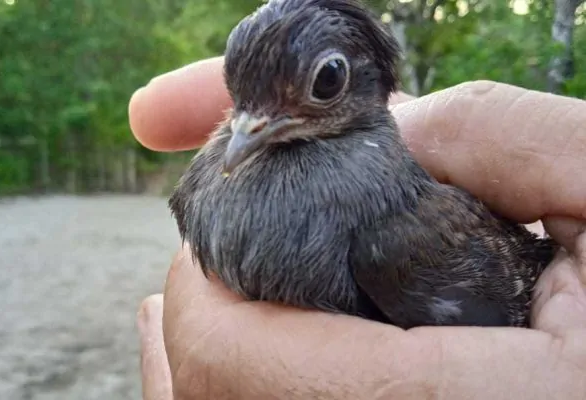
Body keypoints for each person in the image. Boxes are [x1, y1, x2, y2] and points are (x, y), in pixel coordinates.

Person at [129, 56, 586, 400]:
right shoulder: (211, 177)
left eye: (324, 81)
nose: (246, 129)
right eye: (244, 98)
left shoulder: (405, 230)